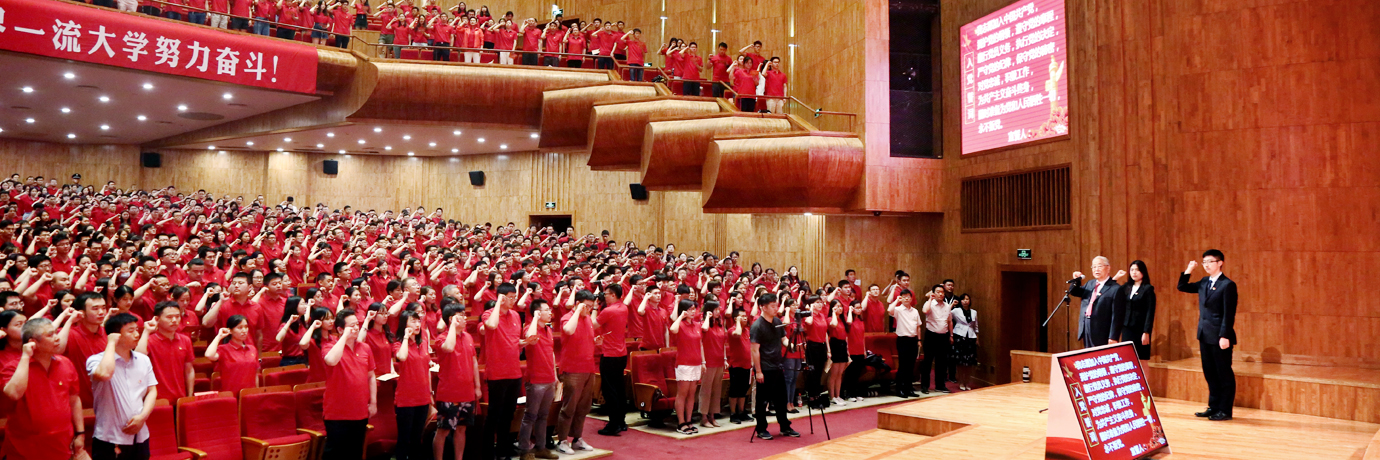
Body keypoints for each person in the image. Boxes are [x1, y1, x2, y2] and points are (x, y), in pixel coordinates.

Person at [2, 318, 84, 460]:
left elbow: (74, 400)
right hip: (25, 450)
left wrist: (80, 434)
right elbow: (14, 393)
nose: (57, 338)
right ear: (33, 342)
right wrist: (26, 356)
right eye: (50, 335)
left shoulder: (65, 363)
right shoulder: (13, 367)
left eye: (56, 333)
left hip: (62, 446)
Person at [87, 312, 158, 460]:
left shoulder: (143, 360)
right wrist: (111, 343)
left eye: (137, 330)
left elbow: (152, 391)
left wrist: (142, 417)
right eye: (131, 331)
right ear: (116, 335)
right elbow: (105, 374)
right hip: (109, 438)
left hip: (140, 435)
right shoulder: (96, 360)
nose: (137, 335)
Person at [1178, 249, 1236, 421]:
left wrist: (1224, 335)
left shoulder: (1227, 285)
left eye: (1210, 261)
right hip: (1204, 334)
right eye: (1204, 262)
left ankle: (1225, 410)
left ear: (1220, 263)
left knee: (1223, 373)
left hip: (1220, 336)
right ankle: (1213, 406)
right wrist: (1189, 270)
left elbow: (1229, 313)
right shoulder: (1204, 282)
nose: (1206, 265)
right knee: (1210, 373)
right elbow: (1182, 286)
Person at [322, 308, 376, 458]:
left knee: (355, 453)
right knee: (336, 454)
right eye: (352, 325)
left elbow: (371, 376)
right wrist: (345, 336)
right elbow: (331, 360)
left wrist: (373, 402)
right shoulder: (330, 346)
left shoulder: (365, 348)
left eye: (357, 324)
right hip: (337, 413)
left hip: (360, 411)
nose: (356, 328)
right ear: (340, 329)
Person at [482, 283, 523, 459]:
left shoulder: (515, 315)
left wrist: (525, 343)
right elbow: (491, 326)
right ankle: (488, 452)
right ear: (502, 297)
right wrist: (498, 302)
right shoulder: (489, 314)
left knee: (508, 414)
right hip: (497, 372)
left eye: (515, 297)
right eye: (510, 297)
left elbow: (514, 340)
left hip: (515, 371)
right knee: (494, 414)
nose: (513, 300)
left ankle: (503, 450)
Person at [749, 293, 798, 440]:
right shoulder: (757, 326)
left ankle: (784, 426)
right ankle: (761, 429)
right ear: (763, 307)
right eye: (772, 306)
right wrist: (758, 371)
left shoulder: (777, 321)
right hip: (765, 367)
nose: (776, 308)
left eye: (776, 305)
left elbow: (783, 339)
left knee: (781, 399)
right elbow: (754, 350)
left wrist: (791, 345)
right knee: (762, 400)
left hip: (778, 365)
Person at [554, 291, 598, 453]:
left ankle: (577, 438)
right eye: (586, 306)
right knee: (569, 407)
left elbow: (583, 339)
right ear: (577, 304)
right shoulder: (568, 317)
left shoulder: (588, 319)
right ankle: (562, 440)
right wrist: (578, 311)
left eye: (591, 307)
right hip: (572, 369)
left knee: (583, 407)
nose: (589, 309)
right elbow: (568, 330)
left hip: (588, 368)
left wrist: (595, 341)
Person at [433, 304, 478, 460]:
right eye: (461, 315)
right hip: (449, 393)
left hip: (467, 392)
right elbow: (449, 348)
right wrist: (452, 326)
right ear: (451, 319)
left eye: (465, 315)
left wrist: (477, 386)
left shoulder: (468, 337)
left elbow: (474, 362)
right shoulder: (441, 338)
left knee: (461, 429)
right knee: (443, 430)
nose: (465, 318)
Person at [518, 300, 557, 460]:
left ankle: (541, 447)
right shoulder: (529, 327)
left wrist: (555, 375)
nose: (550, 312)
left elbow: (551, 353)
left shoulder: (548, 329)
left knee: (543, 415)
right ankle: (524, 450)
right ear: (538, 312)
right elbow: (529, 337)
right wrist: (534, 317)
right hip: (535, 379)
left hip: (549, 378)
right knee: (530, 416)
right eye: (546, 310)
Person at [135, 301, 195, 404]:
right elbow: (137, 359)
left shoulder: (185, 340)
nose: (174, 320)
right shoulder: (148, 340)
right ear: (157, 319)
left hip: (180, 399)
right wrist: (146, 331)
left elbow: (189, 370)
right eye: (169, 317)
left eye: (177, 316)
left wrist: (189, 396)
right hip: (156, 400)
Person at [392, 309, 431, 460]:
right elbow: (402, 357)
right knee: (404, 438)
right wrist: (406, 338)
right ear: (404, 325)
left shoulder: (423, 342)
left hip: (423, 396)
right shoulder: (398, 344)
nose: (417, 324)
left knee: (417, 438)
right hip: (406, 398)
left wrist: (430, 393)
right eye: (413, 321)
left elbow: (426, 367)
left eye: (418, 321)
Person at [596, 285, 630, 436]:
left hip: (610, 354)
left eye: (607, 294)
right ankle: (621, 421)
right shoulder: (624, 308)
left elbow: (593, 324)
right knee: (619, 388)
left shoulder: (609, 311)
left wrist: (594, 308)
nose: (604, 296)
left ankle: (613, 424)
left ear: (613, 295)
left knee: (609, 390)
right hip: (621, 353)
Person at [1070, 256, 1121, 349]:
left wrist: (1113, 336)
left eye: (1099, 266)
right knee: (1088, 354)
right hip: (1086, 325)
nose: (1096, 269)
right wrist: (1076, 281)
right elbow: (1074, 292)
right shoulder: (1090, 284)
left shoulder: (1115, 288)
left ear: (1108, 268)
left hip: (1102, 330)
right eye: (1094, 267)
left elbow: (1117, 316)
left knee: (1101, 356)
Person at [668, 298, 702, 434]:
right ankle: (681, 422)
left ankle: (689, 421)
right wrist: (681, 316)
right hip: (684, 363)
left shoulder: (697, 325)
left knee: (692, 394)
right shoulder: (680, 324)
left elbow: (700, 344)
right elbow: (672, 329)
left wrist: (703, 362)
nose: (693, 312)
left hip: (696, 363)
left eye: (694, 309)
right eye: (690, 309)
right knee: (682, 394)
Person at [205, 314, 259, 396]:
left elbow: (255, 375)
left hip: (250, 395)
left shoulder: (252, 349)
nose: (244, 330)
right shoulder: (223, 349)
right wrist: (219, 336)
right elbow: (209, 355)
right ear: (230, 330)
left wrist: (257, 392)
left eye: (246, 327)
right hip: (230, 395)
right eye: (240, 328)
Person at [1113, 260, 1156, 360]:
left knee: (1141, 358)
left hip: (1140, 329)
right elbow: (1110, 289)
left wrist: (1146, 332)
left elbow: (1150, 312)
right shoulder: (1126, 287)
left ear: (1143, 272)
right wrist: (1116, 277)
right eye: (1132, 270)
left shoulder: (1148, 289)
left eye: (1137, 270)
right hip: (1127, 328)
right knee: (1127, 357)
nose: (1134, 272)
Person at [697, 300, 726, 429]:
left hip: (719, 360)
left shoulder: (720, 324)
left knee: (716, 390)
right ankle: (704, 417)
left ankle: (712, 415)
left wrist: (725, 358)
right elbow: (702, 337)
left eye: (719, 309)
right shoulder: (703, 324)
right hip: (708, 361)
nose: (718, 312)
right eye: (715, 309)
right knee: (706, 390)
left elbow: (723, 343)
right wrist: (708, 318)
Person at [918, 285, 952, 394]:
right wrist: (930, 299)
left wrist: (951, 335)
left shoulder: (947, 306)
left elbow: (949, 321)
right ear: (933, 293)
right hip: (931, 335)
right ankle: (925, 386)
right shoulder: (929, 304)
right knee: (927, 362)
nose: (941, 294)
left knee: (942, 362)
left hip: (943, 336)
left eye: (942, 292)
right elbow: (925, 311)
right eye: (938, 292)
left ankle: (940, 385)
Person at [887, 288, 919, 397]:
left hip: (913, 340)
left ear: (911, 298)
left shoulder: (915, 311)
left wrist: (919, 340)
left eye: (908, 297)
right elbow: (889, 310)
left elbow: (918, 326)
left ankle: (909, 388)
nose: (906, 299)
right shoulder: (898, 309)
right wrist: (897, 300)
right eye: (904, 297)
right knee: (903, 366)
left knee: (911, 366)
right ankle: (900, 389)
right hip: (903, 340)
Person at [725, 308, 752, 423]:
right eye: (742, 316)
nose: (745, 318)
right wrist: (737, 322)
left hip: (747, 365)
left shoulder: (748, 330)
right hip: (736, 365)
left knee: (743, 390)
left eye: (746, 316)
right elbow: (738, 334)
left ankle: (741, 412)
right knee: (734, 390)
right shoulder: (732, 330)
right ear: (736, 318)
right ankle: (733, 413)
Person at [949, 294, 978, 391]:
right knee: (960, 362)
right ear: (960, 301)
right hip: (959, 336)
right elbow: (946, 313)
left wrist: (977, 337)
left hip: (971, 337)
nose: (965, 301)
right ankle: (961, 381)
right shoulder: (956, 310)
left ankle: (967, 382)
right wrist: (952, 305)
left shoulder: (974, 312)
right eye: (963, 299)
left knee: (969, 362)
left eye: (967, 299)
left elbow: (976, 326)